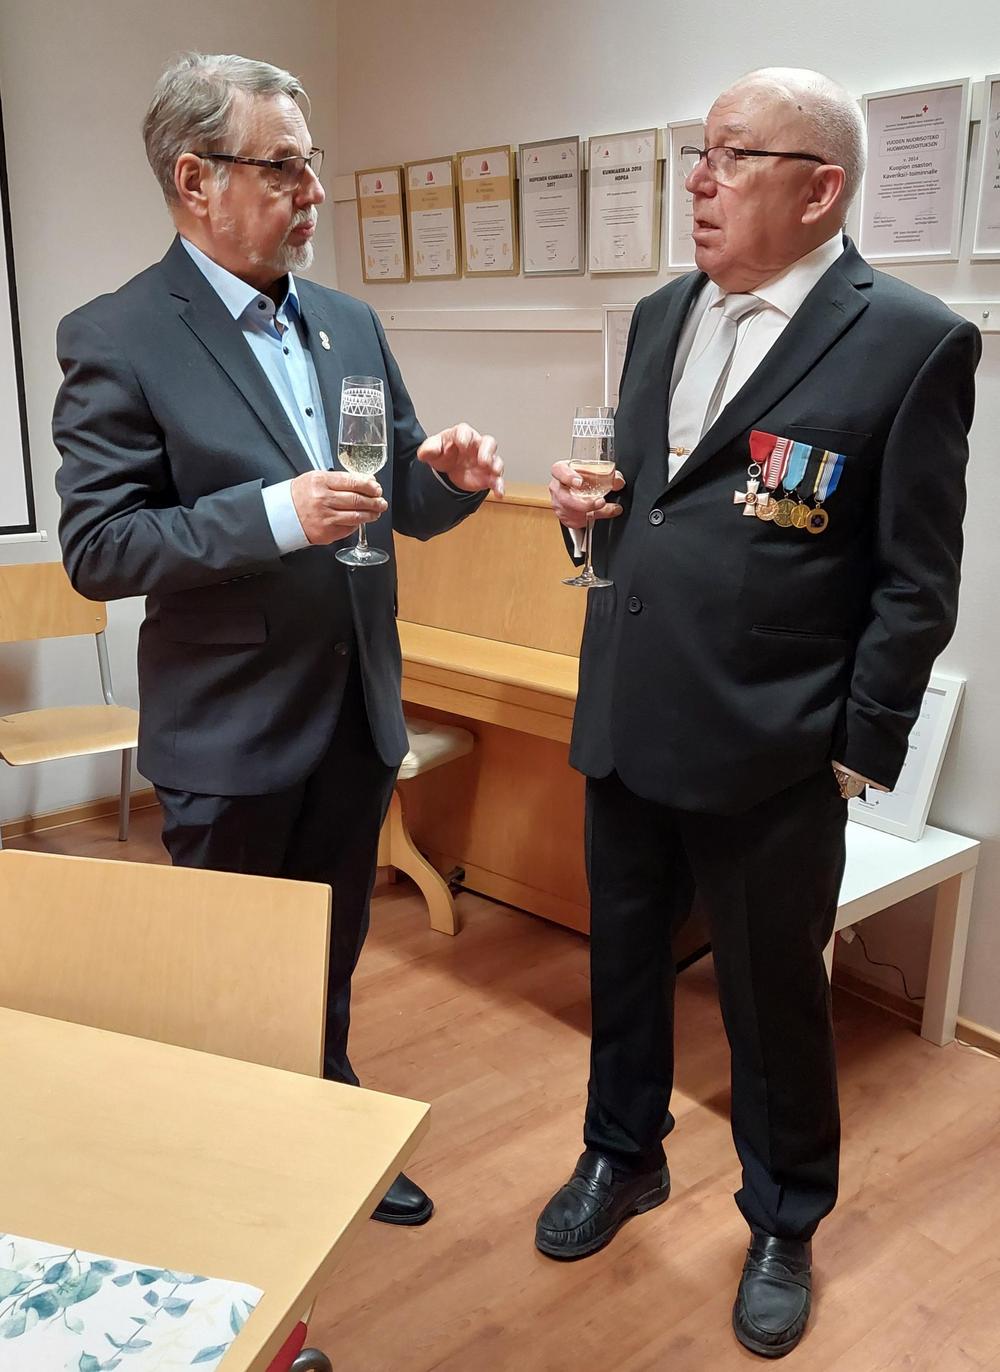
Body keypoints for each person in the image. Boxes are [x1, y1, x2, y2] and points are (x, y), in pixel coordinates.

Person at [537, 67, 980, 1357]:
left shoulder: (911, 339)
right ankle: (621, 1152)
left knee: (771, 999)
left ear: (820, 188)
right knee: (622, 961)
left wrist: (856, 751)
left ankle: (784, 1217)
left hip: (773, 745)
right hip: (629, 709)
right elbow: (653, 508)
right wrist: (587, 519)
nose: (698, 180)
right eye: (698, 153)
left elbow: (915, 579)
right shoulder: (660, 312)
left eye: (732, 155)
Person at [53, 52, 503, 1228]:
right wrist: (271, 515)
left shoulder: (347, 321)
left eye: (313, 166)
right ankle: (227, 1176)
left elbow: (391, 492)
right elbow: (100, 547)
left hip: (355, 713)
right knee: (228, 979)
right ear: (194, 179)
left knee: (328, 953)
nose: (313, 192)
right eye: (283, 168)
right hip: (231, 727)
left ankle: (324, 1111)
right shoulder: (117, 335)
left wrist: (448, 482)